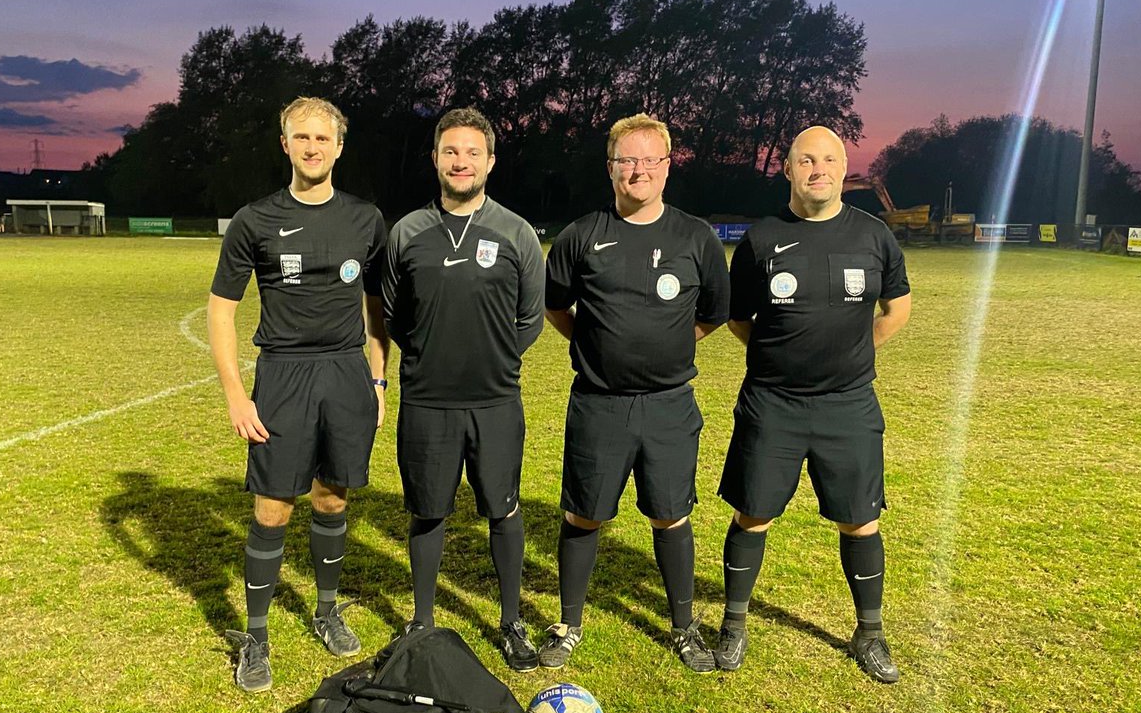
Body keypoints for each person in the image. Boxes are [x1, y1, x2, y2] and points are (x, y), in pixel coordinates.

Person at [715, 125, 912, 683]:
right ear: (789, 168)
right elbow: (737, 318)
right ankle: (733, 624)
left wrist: (852, 352)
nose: (818, 169)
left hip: (847, 405)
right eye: (806, 159)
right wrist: (781, 356)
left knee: (860, 520)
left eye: (828, 159)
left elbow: (896, 308)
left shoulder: (874, 236)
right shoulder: (760, 239)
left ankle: (870, 632)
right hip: (772, 403)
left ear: (844, 167)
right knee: (753, 514)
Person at [208, 96, 389, 693]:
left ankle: (326, 608)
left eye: (323, 138)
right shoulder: (254, 220)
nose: (313, 148)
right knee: (272, 506)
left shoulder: (366, 218)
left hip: (344, 374)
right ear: (285, 144)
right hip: (282, 375)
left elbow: (376, 307)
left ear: (340, 146)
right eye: (301, 137)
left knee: (333, 499)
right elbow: (220, 311)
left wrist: (379, 375)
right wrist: (236, 393)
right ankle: (255, 636)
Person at [539, 113, 730, 673]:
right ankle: (568, 624)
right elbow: (556, 306)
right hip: (599, 404)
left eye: (650, 159)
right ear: (611, 168)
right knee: (584, 515)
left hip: (670, 405)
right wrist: (597, 346)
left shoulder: (695, 237)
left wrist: (665, 346)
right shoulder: (580, 236)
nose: (638, 170)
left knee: (670, 515)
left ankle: (684, 626)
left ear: (668, 167)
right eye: (627, 160)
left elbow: (713, 315)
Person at [383, 107, 545, 671]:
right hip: (427, 401)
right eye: (451, 151)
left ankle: (510, 620)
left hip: (496, 400)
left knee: (503, 509)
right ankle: (422, 621)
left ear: (490, 161)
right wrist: (433, 355)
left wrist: (491, 358)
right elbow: (393, 315)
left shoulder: (516, 232)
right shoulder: (407, 232)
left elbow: (530, 318)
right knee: (429, 512)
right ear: (435, 158)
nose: (461, 161)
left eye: (472, 152)